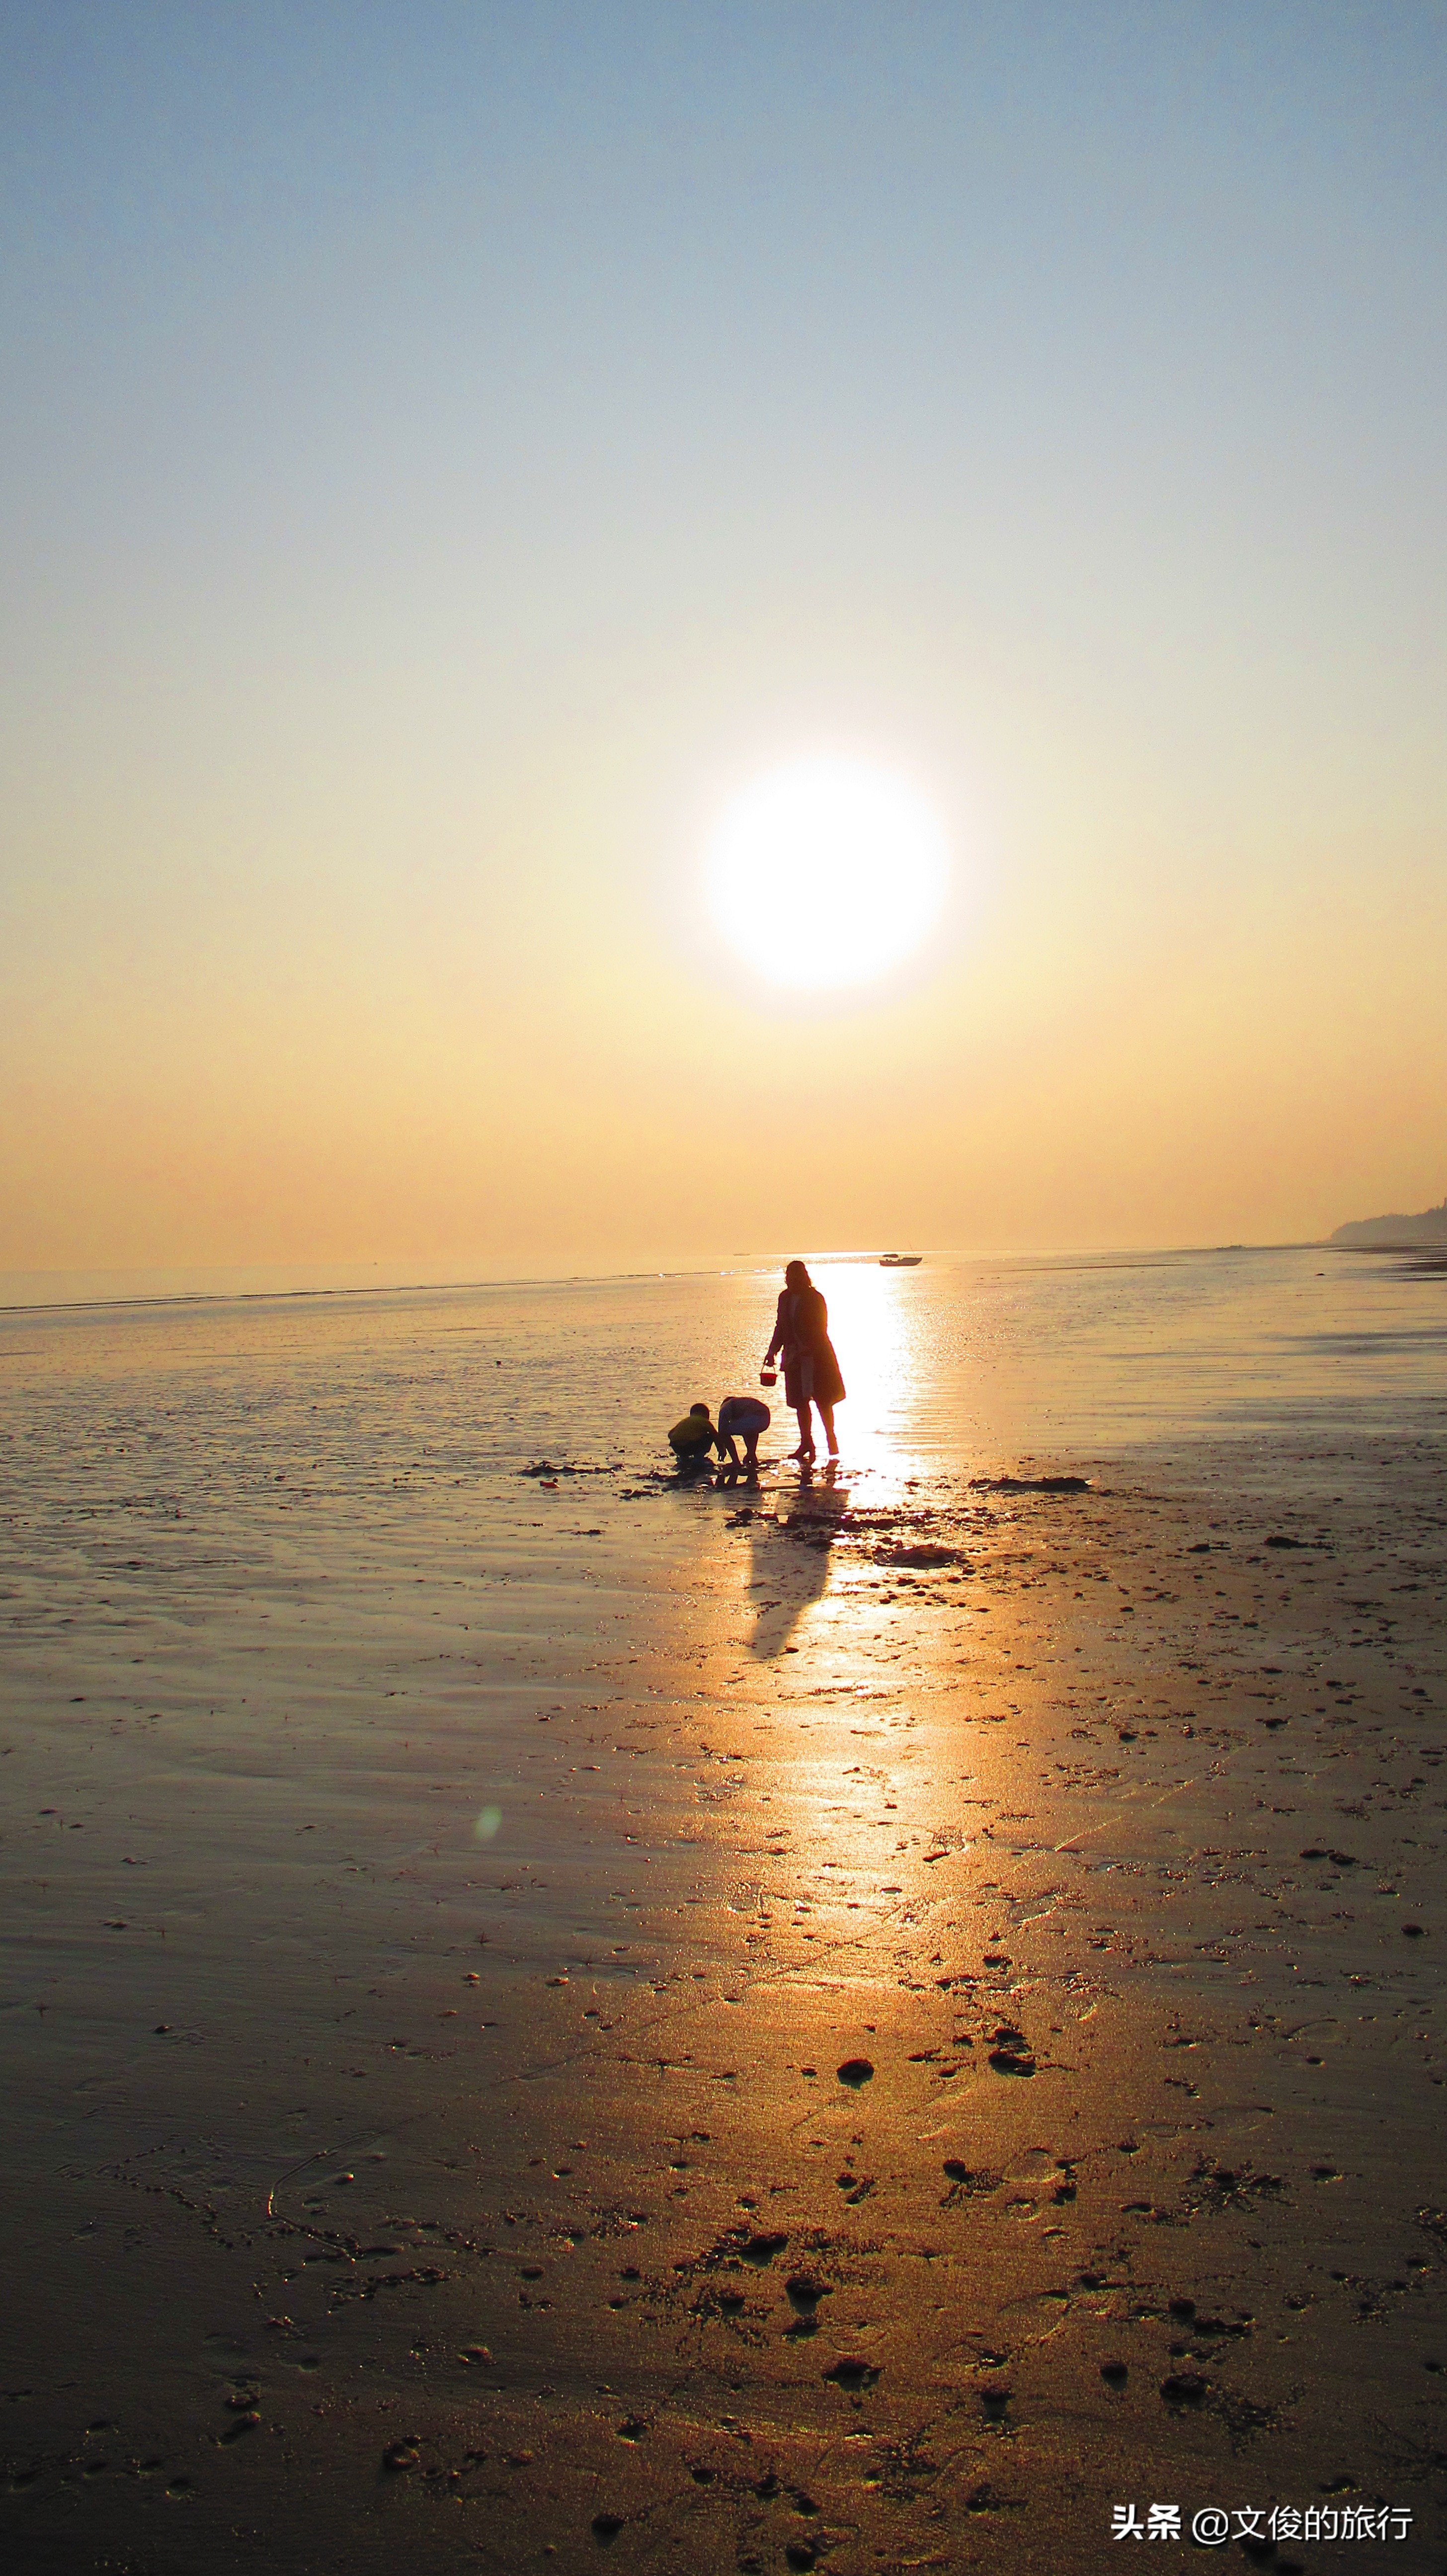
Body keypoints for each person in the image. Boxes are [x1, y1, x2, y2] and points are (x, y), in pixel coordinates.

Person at [763, 1259, 845, 1461]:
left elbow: (821, 1327)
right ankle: (806, 1442)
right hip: (793, 1355)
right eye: (788, 1276)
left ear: (803, 1276)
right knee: (800, 1402)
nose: (790, 1280)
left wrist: (808, 1347)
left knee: (822, 1400)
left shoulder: (815, 1298)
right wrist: (772, 1351)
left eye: (794, 1276)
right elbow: (780, 1326)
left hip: (817, 1356)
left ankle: (830, 1437)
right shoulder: (784, 1298)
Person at [716, 1393, 771, 1478]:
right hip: (766, 1417)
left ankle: (736, 1462)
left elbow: (721, 1432)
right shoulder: (742, 1405)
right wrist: (750, 1452)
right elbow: (749, 1429)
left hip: (755, 1417)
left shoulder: (725, 1407)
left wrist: (722, 1450)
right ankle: (752, 1456)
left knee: (725, 1432)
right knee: (749, 1430)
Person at [668, 1401, 720, 1474]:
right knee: (709, 1436)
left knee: (685, 1446)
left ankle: (683, 1458)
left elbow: (670, 1434)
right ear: (706, 1415)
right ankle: (698, 1459)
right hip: (691, 1446)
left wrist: (680, 1440)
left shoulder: (685, 1421)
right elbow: (715, 1435)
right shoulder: (704, 1421)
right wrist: (721, 1450)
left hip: (677, 1446)